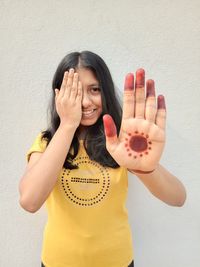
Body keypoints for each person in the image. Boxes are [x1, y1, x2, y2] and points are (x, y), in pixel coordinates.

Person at [18, 51, 186, 267]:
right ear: (60, 96)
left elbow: (178, 198)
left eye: (94, 89)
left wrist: (146, 169)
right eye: (76, 92)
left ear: (105, 91)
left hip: (116, 261)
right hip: (57, 261)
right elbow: (29, 201)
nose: (86, 102)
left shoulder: (119, 142)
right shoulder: (47, 142)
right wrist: (68, 125)